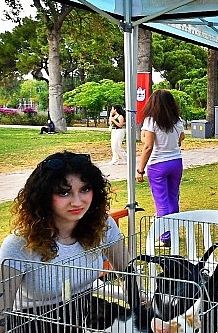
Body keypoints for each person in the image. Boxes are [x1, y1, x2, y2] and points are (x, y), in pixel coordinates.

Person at [0, 151, 127, 332]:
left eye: (84, 189)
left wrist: (140, 306)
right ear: (43, 197)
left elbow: (127, 273)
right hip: (35, 323)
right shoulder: (18, 244)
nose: (77, 202)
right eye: (64, 192)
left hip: (86, 313)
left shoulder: (103, 225)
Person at [137, 89, 185, 247]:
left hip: (158, 165)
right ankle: (173, 231)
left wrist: (140, 169)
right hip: (176, 162)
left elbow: (148, 146)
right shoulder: (177, 120)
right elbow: (181, 138)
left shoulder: (151, 120)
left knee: (161, 202)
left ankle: (166, 238)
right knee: (173, 198)